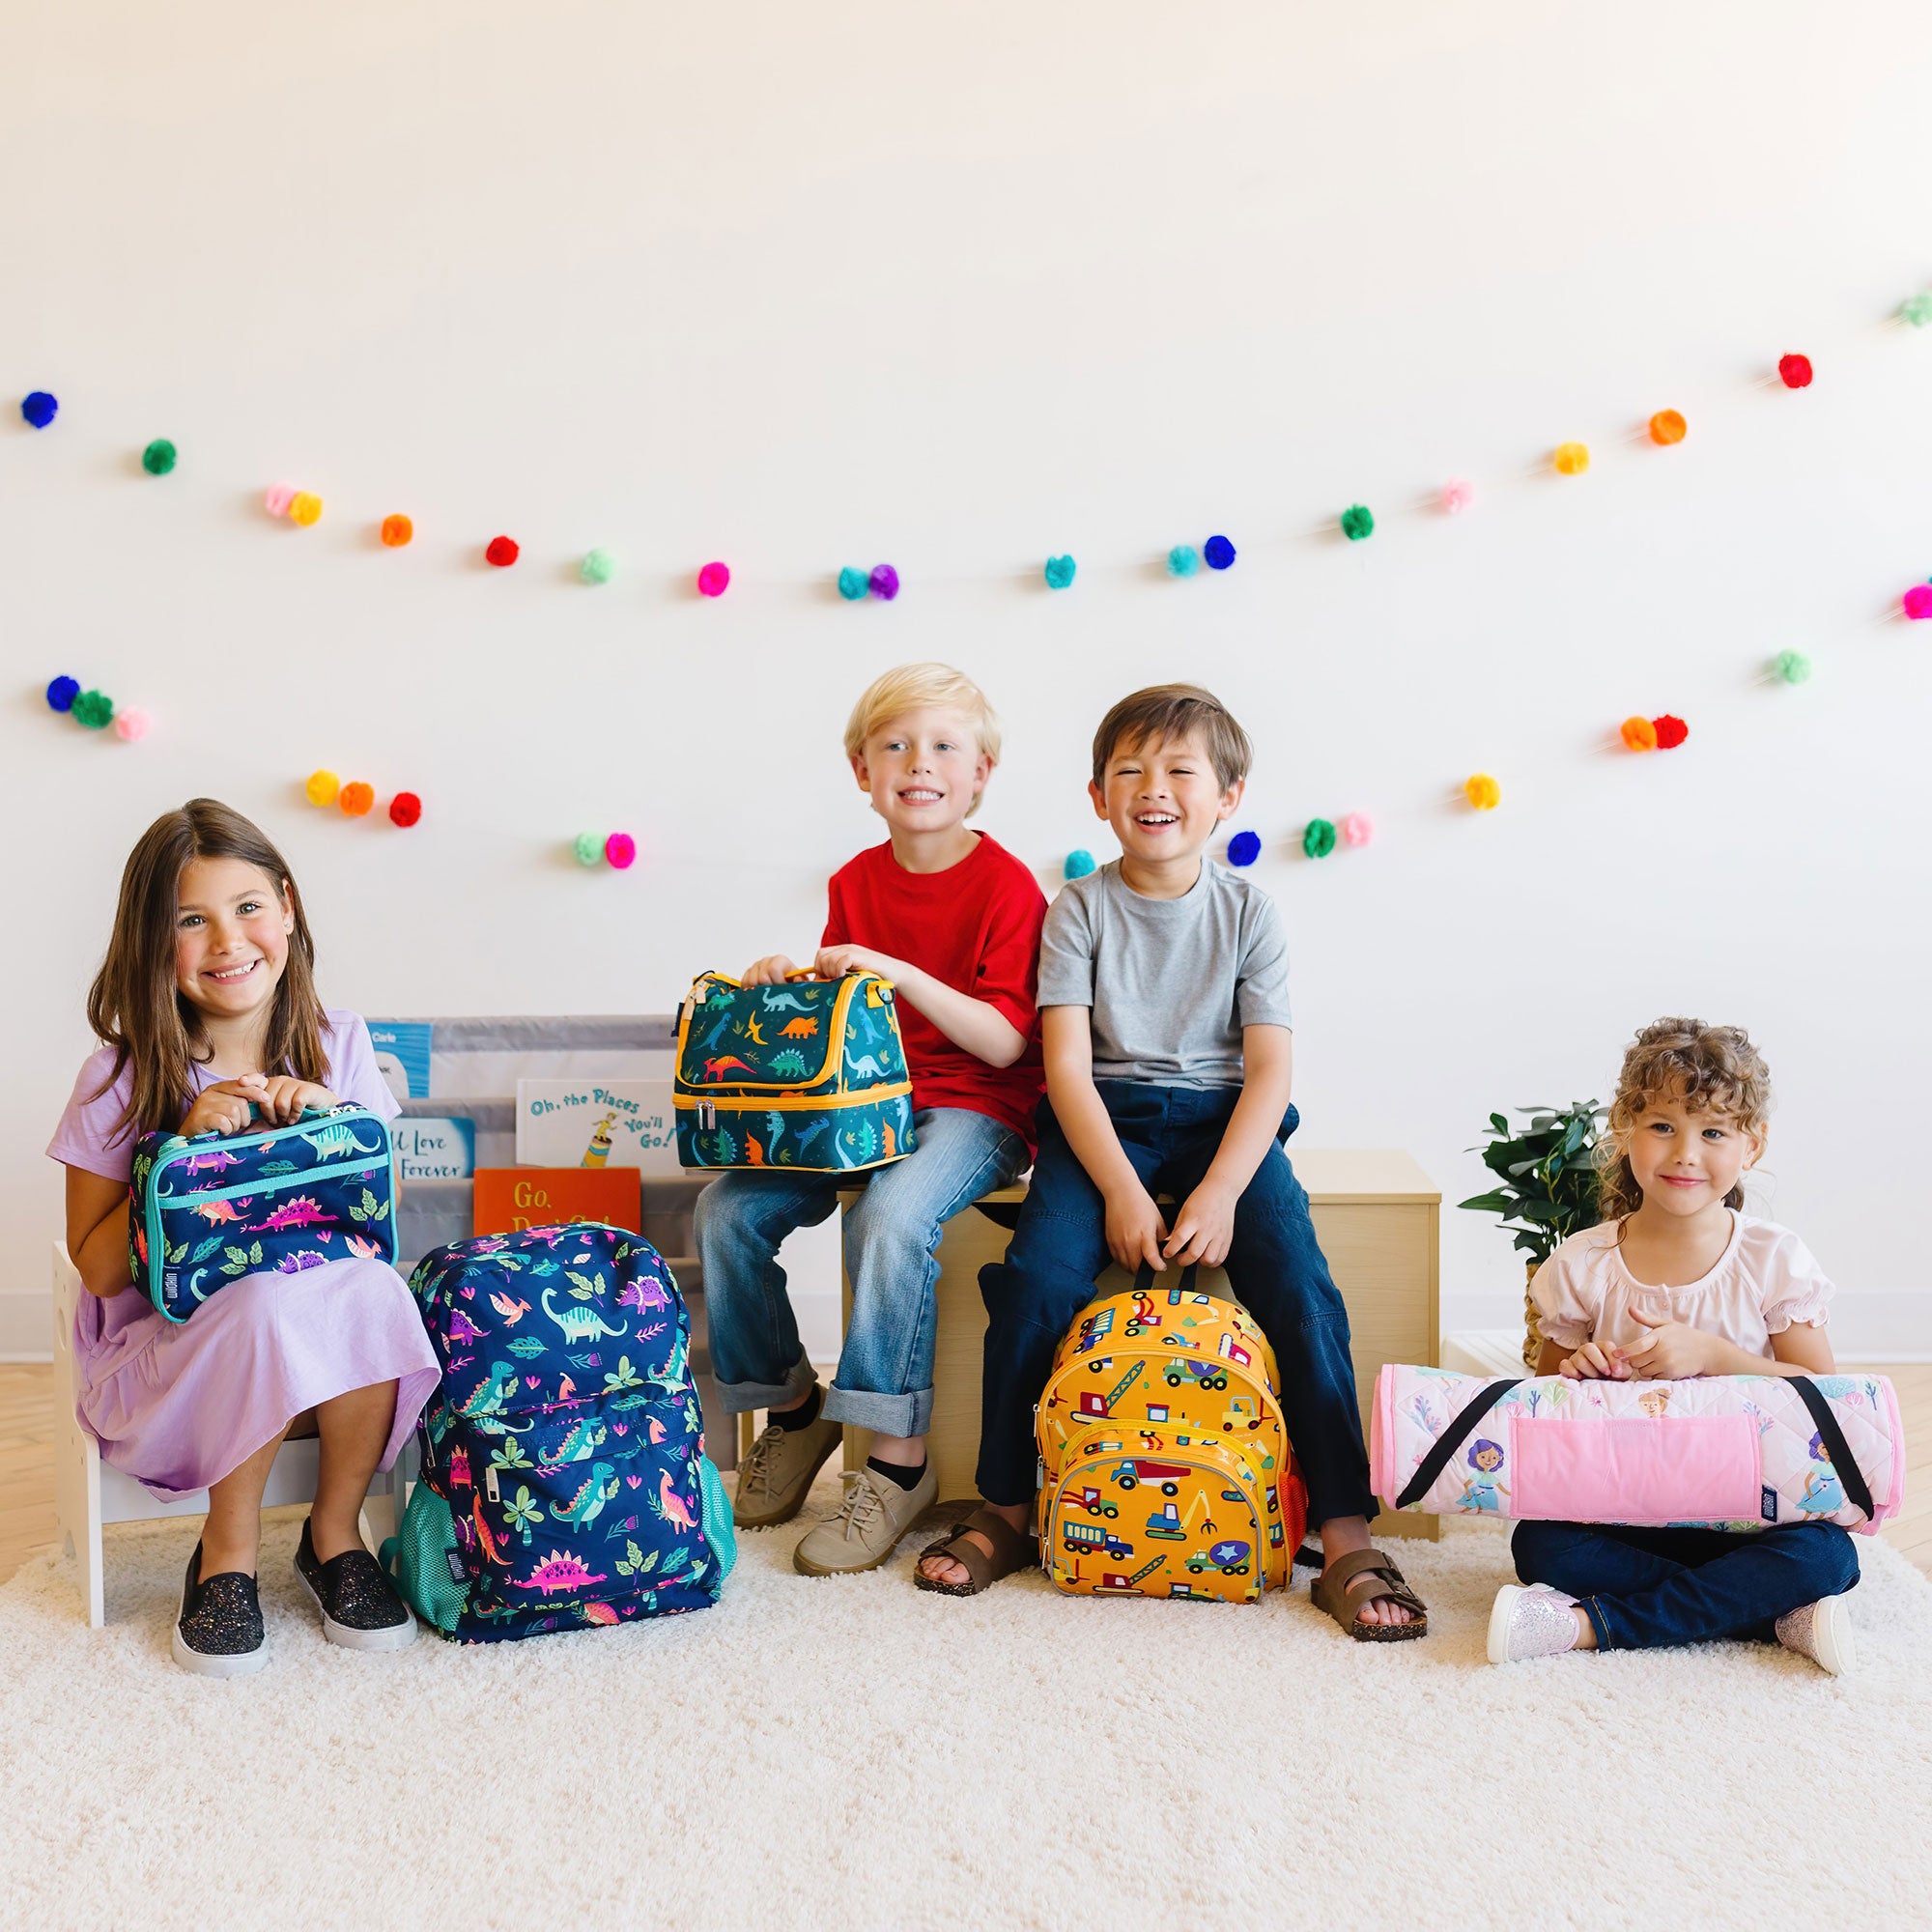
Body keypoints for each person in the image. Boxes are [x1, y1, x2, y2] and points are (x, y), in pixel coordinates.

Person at [918, 684, 1426, 1638]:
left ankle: (1343, 1530)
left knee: (1301, 1286)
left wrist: (1223, 1188)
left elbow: (1269, 1070)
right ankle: (1007, 1507)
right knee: (1033, 1284)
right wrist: (1118, 1185)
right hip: (1100, 1120)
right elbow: (1065, 1067)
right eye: (1130, 771)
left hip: (1223, 1121)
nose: (1153, 788)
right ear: (1096, 795)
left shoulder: (1249, 912)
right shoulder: (1078, 909)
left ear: (1228, 796)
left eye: (1179, 770)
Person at [49, 800, 438, 1675]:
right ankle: (224, 1555)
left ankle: (334, 1537)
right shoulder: (117, 1077)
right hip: (166, 1363)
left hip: (328, 1353)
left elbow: (377, 1218)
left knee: (374, 1286)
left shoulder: (338, 1042)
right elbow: (99, 1271)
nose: (228, 941)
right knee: (264, 1300)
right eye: (191, 920)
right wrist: (180, 1152)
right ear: (154, 942)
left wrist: (332, 1122)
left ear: (288, 909)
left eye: (248, 907)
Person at [696, 663, 1045, 1575]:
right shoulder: (855, 880)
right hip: (863, 1106)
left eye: (944, 747)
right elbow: (846, 1021)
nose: (919, 763)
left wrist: (898, 971)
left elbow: (1007, 1042)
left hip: (978, 1107)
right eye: (895, 746)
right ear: (862, 771)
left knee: (891, 1216)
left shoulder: (1009, 887)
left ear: (981, 773)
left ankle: (897, 1462)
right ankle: (795, 1410)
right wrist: (786, 984)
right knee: (726, 1213)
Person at [1489, 1017, 1860, 1675]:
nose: (1686, 1153)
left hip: (1753, 1516)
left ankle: (1589, 1626)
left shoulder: (1773, 1259)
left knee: (1828, 1557)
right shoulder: (1582, 1264)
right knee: (1541, 1546)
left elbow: (1820, 1398)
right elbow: (1544, 1407)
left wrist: (1715, 1357)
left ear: (1751, 1145)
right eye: (1663, 1126)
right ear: (1624, 1129)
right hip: (1625, 1511)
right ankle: (1773, 1615)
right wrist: (1582, 1375)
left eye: (1713, 1132)